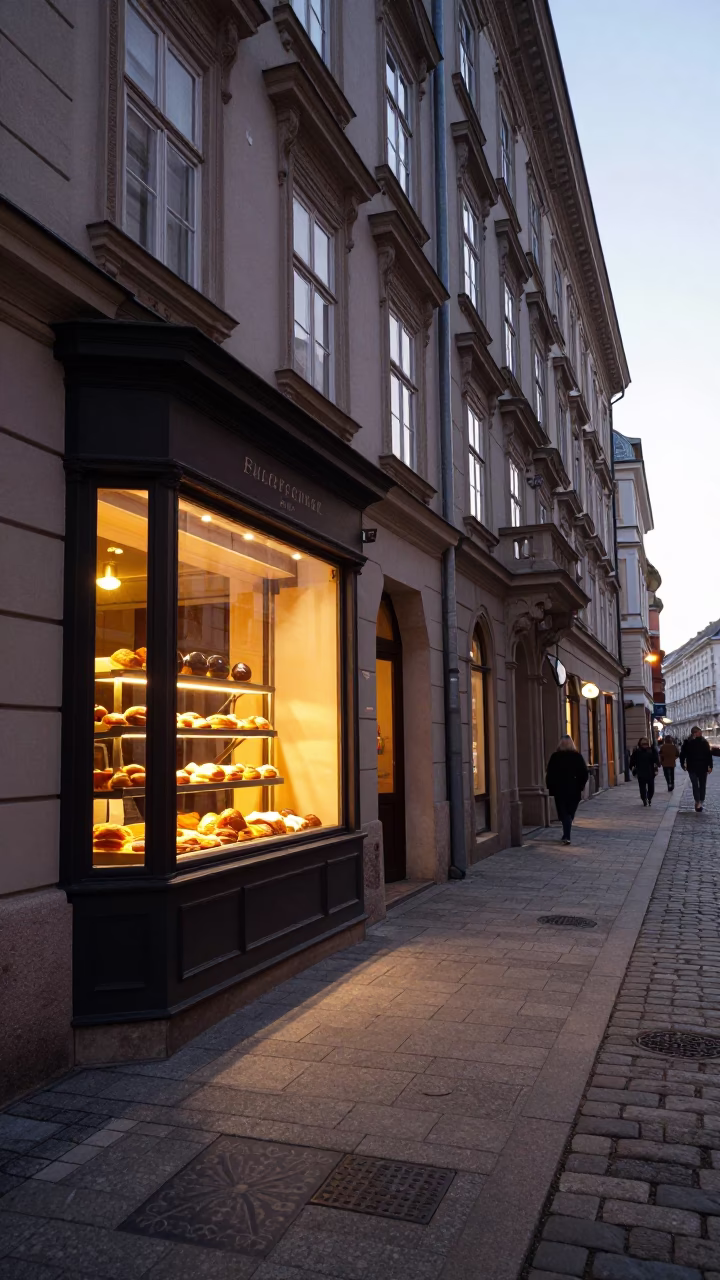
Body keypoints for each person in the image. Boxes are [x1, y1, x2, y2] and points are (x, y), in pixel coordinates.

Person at [546, 735, 589, 845]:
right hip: (573, 789)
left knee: (564, 813)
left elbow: (549, 774)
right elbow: (584, 773)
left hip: (560, 789)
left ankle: (566, 834)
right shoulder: (577, 757)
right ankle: (567, 834)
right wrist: (581, 786)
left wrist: (550, 787)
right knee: (569, 813)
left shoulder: (555, 757)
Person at [680, 726, 713, 812]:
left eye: (700, 732)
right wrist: (682, 763)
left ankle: (700, 801)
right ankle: (697, 801)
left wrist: (710, 766)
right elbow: (682, 754)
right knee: (695, 784)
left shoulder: (704, 742)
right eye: (699, 732)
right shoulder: (688, 742)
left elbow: (709, 755)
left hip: (703, 767)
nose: (701, 733)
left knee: (702, 785)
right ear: (694, 733)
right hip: (692, 767)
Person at [630, 737, 660, 806]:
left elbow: (656, 760)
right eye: (643, 744)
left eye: (646, 743)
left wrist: (657, 764)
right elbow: (632, 761)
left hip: (650, 772)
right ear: (640, 744)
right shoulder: (637, 752)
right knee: (642, 788)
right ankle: (644, 799)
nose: (645, 745)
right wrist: (632, 768)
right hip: (641, 772)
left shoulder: (651, 751)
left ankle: (649, 798)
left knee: (651, 788)